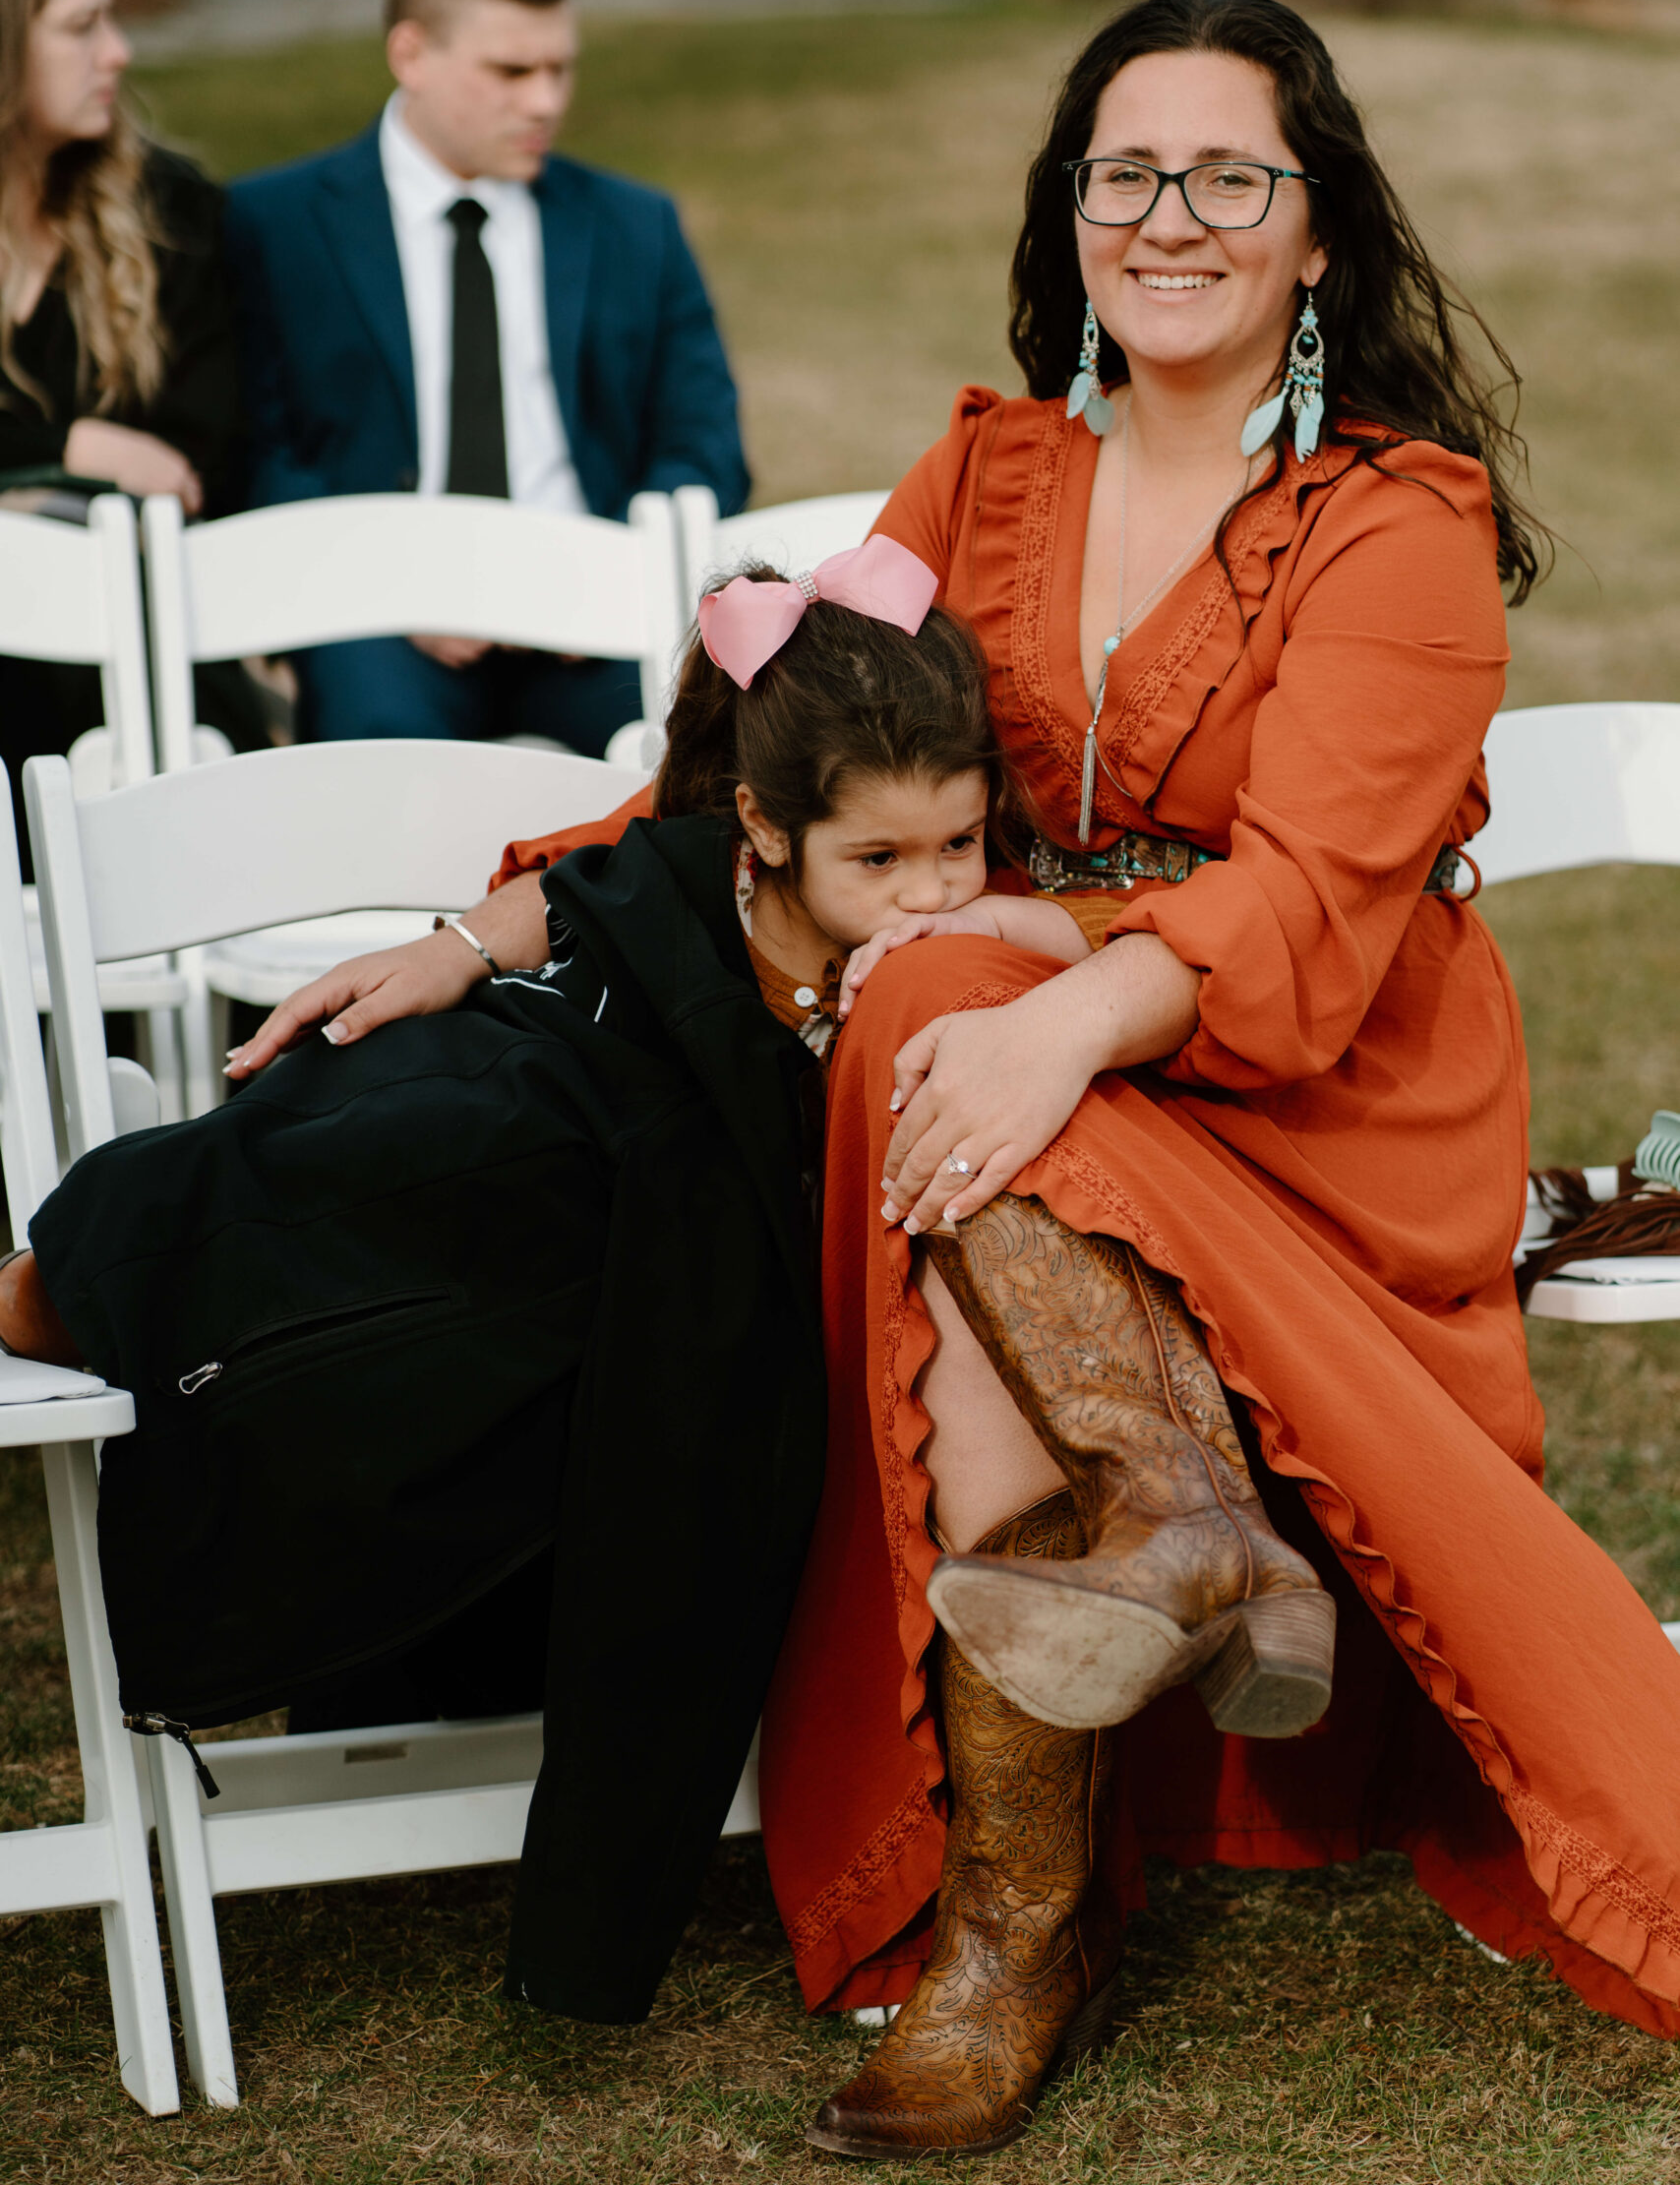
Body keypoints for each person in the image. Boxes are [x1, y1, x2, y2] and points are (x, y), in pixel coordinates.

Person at [433, 0, 1680, 2149]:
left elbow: (1301, 912)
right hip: (1024, 1072)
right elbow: (761, 764)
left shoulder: (1395, 518)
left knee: (922, 996)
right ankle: (1169, 1529)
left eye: (1228, 173)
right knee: (919, 991)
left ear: (1313, 227)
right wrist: (482, 923)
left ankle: (1021, 1921)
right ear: (1067, 207)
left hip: (1320, 1095)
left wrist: (1052, 983)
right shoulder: (990, 472)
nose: (1168, 214)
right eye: (1124, 170)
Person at [2, 538, 1098, 2025]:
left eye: (957, 847)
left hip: (645, 1258)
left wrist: (970, 925)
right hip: (546, 1114)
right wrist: (465, 944)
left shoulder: (945, 950)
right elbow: (593, 896)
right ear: (763, 830)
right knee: (426, 1142)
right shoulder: (689, 877)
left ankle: (149, 1310)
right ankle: (88, 1277)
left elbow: (1038, 957)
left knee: (570, 1302)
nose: (927, 892)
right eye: (882, 862)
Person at [222, 0, 748, 759]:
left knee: (695, 767)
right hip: (385, 614)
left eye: (560, 68)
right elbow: (259, 454)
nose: (546, 100)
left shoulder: (634, 226)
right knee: (379, 755)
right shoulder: (273, 225)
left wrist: (608, 581)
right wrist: (392, 579)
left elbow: (704, 442)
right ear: (411, 53)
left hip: (592, 614)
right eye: (511, 72)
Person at [0, 0, 250, 851]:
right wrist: (70, 446)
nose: (120, 53)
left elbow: (198, 456)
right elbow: (129, 455)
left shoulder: (168, 213)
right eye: (81, 27)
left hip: (133, 633)